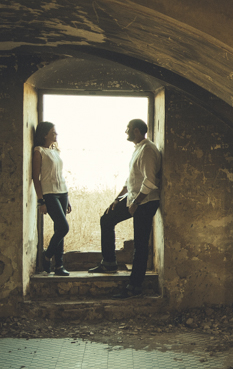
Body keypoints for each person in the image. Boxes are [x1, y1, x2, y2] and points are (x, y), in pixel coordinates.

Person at [88, 118, 162, 299]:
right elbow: (132, 179)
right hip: (133, 198)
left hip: (145, 202)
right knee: (107, 219)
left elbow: (150, 180)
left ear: (136, 131)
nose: (125, 131)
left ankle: (135, 287)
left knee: (140, 245)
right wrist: (118, 199)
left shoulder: (148, 150)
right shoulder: (139, 149)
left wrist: (136, 204)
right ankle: (109, 262)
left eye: (128, 129)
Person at [32, 122, 72, 276]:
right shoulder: (39, 151)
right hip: (49, 193)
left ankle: (59, 265)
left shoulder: (55, 151)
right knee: (63, 227)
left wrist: (67, 199)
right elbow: (36, 178)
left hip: (62, 192)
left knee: (59, 230)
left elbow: (59, 175)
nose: (56, 135)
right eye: (53, 132)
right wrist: (41, 201)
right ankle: (47, 255)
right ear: (44, 134)